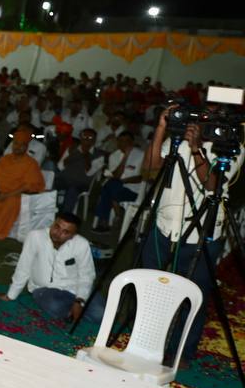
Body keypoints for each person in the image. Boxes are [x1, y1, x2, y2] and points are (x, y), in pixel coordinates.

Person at [139, 104, 245, 366]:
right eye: (204, 114)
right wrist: (162, 128)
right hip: (164, 227)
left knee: (193, 295)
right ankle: (144, 340)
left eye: (214, 117)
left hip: (202, 233)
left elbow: (212, 184)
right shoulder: (179, 138)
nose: (206, 121)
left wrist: (197, 148)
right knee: (149, 286)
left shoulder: (231, 147)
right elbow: (150, 167)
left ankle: (182, 352)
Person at [0, 212, 97, 323]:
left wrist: (80, 300)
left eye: (65, 232)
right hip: (46, 290)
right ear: (53, 223)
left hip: (75, 288)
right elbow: (24, 267)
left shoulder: (81, 244)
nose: (58, 233)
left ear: (73, 236)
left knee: (100, 313)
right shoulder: (35, 237)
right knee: (55, 306)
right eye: (57, 227)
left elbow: (87, 274)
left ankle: (75, 310)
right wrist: (11, 295)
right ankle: (75, 312)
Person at [0, 127, 46, 240]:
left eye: (22, 145)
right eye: (15, 143)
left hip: (14, 195)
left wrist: (6, 195)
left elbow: (29, 186)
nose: (18, 147)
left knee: (11, 202)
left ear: (26, 147)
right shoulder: (4, 159)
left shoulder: (31, 164)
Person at [92, 130, 143, 231]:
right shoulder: (114, 156)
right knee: (111, 186)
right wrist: (125, 158)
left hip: (133, 190)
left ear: (132, 143)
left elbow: (140, 178)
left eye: (126, 141)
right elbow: (116, 175)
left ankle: (104, 221)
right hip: (116, 188)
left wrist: (124, 181)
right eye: (121, 141)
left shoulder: (141, 155)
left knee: (108, 188)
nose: (123, 144)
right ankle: (115, 215)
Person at [55, 128, 103, 215]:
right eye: (84, 137)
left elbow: (89, 172)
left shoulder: (99, 155)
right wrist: (72, 154)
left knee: (72, 190)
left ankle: (65, 216)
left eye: (90, 138)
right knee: (50, 184)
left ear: (94, 141)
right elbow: (60, 166)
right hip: (64, 179)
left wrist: (86, 154)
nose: (86, 140)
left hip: (81, 183)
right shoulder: (72, 148)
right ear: (80, 138)